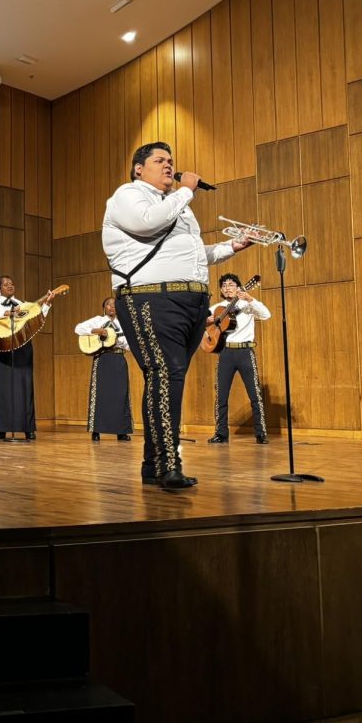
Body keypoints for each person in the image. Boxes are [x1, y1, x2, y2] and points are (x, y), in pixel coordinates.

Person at [102, 141, 249, 490]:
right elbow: (147, 223)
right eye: (159, 161)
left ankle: (154, 464)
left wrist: (232, 246)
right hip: (150, 299)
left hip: (190, 301)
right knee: (166, 375)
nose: (169, 166)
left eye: (171, 161)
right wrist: (185, 191)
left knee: (166, 378)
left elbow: (194, 253)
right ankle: (169, 463)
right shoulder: (128, 195)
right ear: (139, 168)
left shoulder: (178, 207)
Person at [0, 275, 56, 440]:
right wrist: (9, 312)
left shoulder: (23, 304)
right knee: (1, 388)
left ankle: (27, 428)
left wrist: (47, 304)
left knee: (25, 387)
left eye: (12, 284)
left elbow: (37, 318)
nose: (10, 286)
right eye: (6, 284)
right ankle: (0, 428)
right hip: (1, 348)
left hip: (22, 346)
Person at [207, 273, 271, 445]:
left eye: (231, 284)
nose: (227, 287)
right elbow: (202, 324)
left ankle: (261, 433)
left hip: (245, 352)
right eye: (224, 285)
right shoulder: (217, 307)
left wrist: (250, 299)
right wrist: (208, 321)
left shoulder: (247, 305)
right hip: (225, 353)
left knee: (255, 395)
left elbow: (266, 315)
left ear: (238, 287)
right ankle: (221, 433)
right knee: (221, 396)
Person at [74, 297, 133, 442]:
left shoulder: (123, 324)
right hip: (103, 359)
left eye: (114, 305)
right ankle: (96, 430)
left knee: (121, 395)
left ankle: (121, 431)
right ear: (104, 307)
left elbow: (129, 345)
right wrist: (97, 330)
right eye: (108, 305)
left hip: (119, 359)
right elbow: (78, 328)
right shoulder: (98, 320)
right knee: (100, 394)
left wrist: (117, 340)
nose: (112, 307)